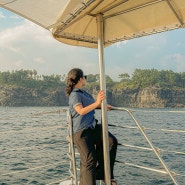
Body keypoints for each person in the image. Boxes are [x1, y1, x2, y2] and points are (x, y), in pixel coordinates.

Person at [65, 68, 118, 185]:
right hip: (81, 132)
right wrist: (97, 102)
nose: (85, 79)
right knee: (89, 160)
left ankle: (103, 173)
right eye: (85, 77)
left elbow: (92, 106)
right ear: (80, 79)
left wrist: (102, 106)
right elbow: (80, 111)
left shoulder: (84, 93)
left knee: (111, 142)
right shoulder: (74, 95)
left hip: (92, 127)